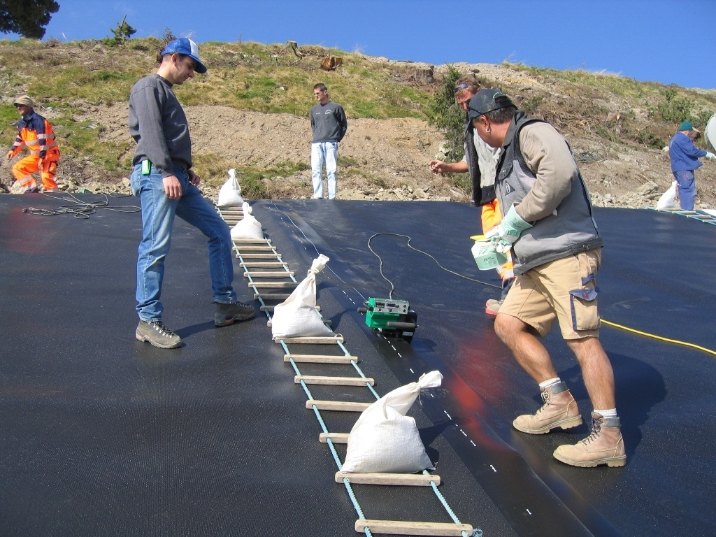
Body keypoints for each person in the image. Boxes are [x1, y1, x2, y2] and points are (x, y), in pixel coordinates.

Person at [468, 88, 625, 468]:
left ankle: (608, 434)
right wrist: (502, 238)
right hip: (535, 262)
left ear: (486, 121)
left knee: (582, 340)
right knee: (509, 323)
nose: (479, 138)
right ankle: (559, 402)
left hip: (567, 254)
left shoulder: (532, 132)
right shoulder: (509, 152)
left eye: (477, 129)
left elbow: (559, 175)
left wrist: (517, 218)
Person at [128, 37, 255, 349]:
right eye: (190, 66)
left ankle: (225, 305)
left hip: (175, 175)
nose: (192, 73)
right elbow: (151, 131)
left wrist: (184, 168)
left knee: (219, 231)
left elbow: (167, 136)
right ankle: (148, 320)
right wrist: (167, 170)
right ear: (173, 58)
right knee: (155, 246)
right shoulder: (149, 86)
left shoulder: (166, 92)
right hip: (158, 175)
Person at [429, 78, 514, 317]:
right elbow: (471, 163)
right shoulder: (472, 128)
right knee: (494, 245)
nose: (466, 108)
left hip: (504, 190)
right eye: (461, 105)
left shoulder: (495, 121)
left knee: (505, 242)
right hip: (487, 192)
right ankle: (509, 295)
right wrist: (447, 167)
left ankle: (512, 299)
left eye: (469, 102)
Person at [5, 95, 61, 193]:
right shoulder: (21, 123)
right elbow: (20, 138)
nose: (18, 108)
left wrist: (42, 158)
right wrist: (12, 151)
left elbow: (43, 141)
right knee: (18, 168)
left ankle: (55, 198)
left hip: (49, 155)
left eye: (21, 105)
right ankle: (31, 189)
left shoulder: (39, 121)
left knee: (46, 177)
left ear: (28, 106)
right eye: (17, 106)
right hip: (36, 157)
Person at [310, 83, 347, 200]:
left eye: (318, 93)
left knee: (331, 171)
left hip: (331, 142)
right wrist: (317, 136)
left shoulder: (336, 107)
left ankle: (332, 197)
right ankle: (318, 196)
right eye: (315, 94)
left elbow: (343, 125)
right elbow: (313, 125)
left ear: (325, 92)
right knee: (316, 170)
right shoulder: (313, 110)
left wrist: (336, 138)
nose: (316, 96)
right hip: (317, 143)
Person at [668, 120, 716, 210]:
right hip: (684, 168)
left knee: (683, 189)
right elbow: (692, 151)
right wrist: (706, 153)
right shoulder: (682, 138)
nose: (690, 134)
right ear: (686, 131)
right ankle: (687, 212)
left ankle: (684, 211)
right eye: (690, 132)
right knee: (688, 190)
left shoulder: (674, 138)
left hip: (677, 168)